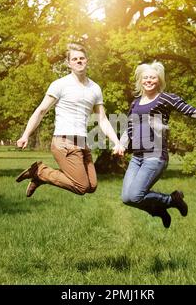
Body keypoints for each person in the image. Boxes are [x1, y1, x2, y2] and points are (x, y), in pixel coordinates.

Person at [120, 61, 196, 228]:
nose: (149, 80)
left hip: (155, 155)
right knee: (126, 198)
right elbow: (129, 128)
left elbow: (191, 111)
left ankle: (171, 200)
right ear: (140, 80)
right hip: (137, 157)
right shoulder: (135, 103)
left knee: (136, 196)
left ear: (159, 80)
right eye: (145, 77)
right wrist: (122, 145)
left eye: (153, 77)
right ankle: (159, 210)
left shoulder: (166, 98)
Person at [16, 43, 123, 197]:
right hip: (64, 142)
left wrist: (117, 142)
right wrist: (26, 134)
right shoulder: (60, 85)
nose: (79, 61)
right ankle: (40, 172)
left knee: (91, 186)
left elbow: (103, 119)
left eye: (81, 58)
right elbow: (41, 110)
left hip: (82, 142)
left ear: (87, 60)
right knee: (81, 186)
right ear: (69, 63)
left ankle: (41, 177)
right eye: (74, 59)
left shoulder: (95, 88)